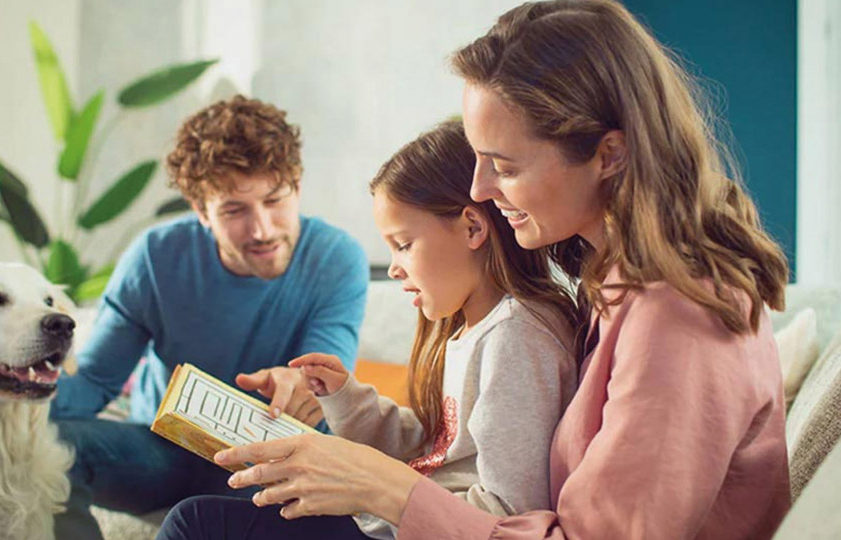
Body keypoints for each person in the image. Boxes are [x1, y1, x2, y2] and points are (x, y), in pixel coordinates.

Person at [159, 1, 792, 539]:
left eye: (504, 165)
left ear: (609, 154)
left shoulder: (680, 314)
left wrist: (383, 488)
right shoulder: (618, 288)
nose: (480, 190)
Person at [159, 119, 580, 540]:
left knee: (196, 523)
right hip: (398, 521)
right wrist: (346, 399)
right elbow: (435, 450)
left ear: (472, 227)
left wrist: (369, 498)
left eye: (403, 244)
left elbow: (508, 514)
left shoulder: (515, 338)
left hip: (412, 528)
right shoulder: (474, 332)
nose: (395, 268)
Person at [50, 95, 369, 539]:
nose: (262, 229)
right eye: (234, 210)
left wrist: (307, 384)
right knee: (43, 447)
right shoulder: (155, 258)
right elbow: (93, 384)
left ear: (297, 186)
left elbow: (326, 369)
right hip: (159, 452)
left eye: (275, 200)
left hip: (267, 458)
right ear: (200, 210)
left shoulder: (336, 259)